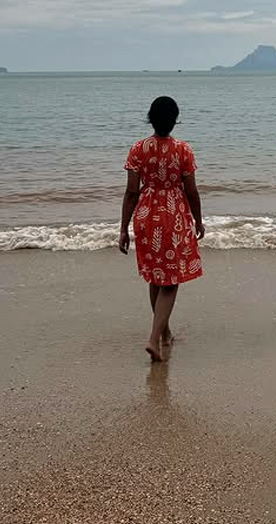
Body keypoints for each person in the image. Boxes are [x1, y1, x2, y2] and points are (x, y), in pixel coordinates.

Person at [119, 96, 205, 361]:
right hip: (174, 215)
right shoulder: (183, 150)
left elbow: (132, 192)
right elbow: (191, 191)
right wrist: (198, 219)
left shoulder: (138, 149)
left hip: (146, 215)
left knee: (156, 275)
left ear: (150, 118)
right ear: (175, 120)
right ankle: (154, 338)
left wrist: (123, 227)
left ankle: (165, 332)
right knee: (172, 278)